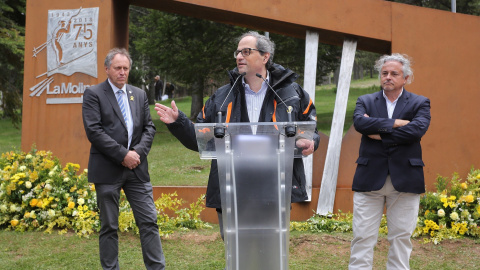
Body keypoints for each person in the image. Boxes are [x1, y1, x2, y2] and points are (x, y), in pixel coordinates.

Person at [154, 31, 320, 240]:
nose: (239, 56)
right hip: (232, 186)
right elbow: (201, 139)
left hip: (274, 187)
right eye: (238, 52)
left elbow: (310, 128)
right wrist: (179, 122)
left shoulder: (291, 93)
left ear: (265, 56)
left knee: (269, 249)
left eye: (246, 51)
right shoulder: (222, 96)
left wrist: (311, 142)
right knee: (236, 252)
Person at [82, 48, 165, 270]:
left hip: (137, 169)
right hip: (108, 169)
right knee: (109, 226)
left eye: (126, 68)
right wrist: (123, 155)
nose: (122, 72)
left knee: (149, 221)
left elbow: (149, 127)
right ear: (107, 69)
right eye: (117, 68)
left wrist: (136, 153)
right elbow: (94, 131)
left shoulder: (138, 94)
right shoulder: (94, 94)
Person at [349, 53, 431, 269]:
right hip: (369, 179)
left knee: (401, 239)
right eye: (384, 73)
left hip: (405, 179)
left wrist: (379, 132)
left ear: (405, 78)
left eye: (394, 73)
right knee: (362, 237)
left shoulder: (420, 102)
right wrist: (396, 123)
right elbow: (360, 124)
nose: (388, 77)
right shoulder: (365, 101)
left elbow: (416, 130)